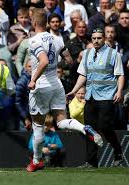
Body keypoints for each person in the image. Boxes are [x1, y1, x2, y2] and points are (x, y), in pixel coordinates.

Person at [26, 8, 103, 172]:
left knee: (38, 126)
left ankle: (36, 161)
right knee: (61, 121)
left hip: (41, 86)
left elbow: (44, 61)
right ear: (46, 22)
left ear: (34, 23)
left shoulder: (34, 40)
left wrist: (33, 79)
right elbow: (68, 59)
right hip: (57, 84)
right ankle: (84, 128)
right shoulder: (57, 39)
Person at [67, 28, 124, 167]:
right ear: (91, 40)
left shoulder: (113, 54)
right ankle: (91, 162)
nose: (96, 40)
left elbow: (120, 74)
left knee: (104, 126)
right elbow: (82, 75)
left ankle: (117, 151)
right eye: (94, 38)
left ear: (104, 38)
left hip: (107, 95)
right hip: (90, 95)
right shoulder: (86, 54)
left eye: (99, 38)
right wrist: (74, 91)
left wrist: (120, 91)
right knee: (89, 128)